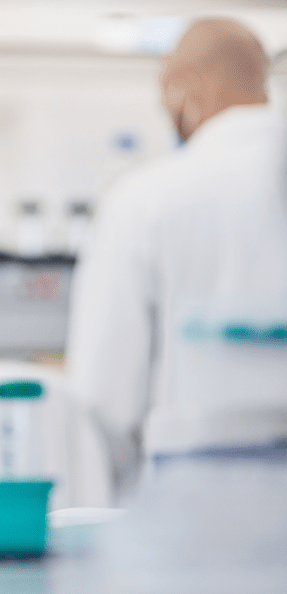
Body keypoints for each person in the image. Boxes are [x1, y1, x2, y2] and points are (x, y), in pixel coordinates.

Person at [65, 18, 287, 496]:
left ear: (186, 89)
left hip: (198, 508)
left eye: (166, 95)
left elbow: (105, 400)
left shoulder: (144, 201)